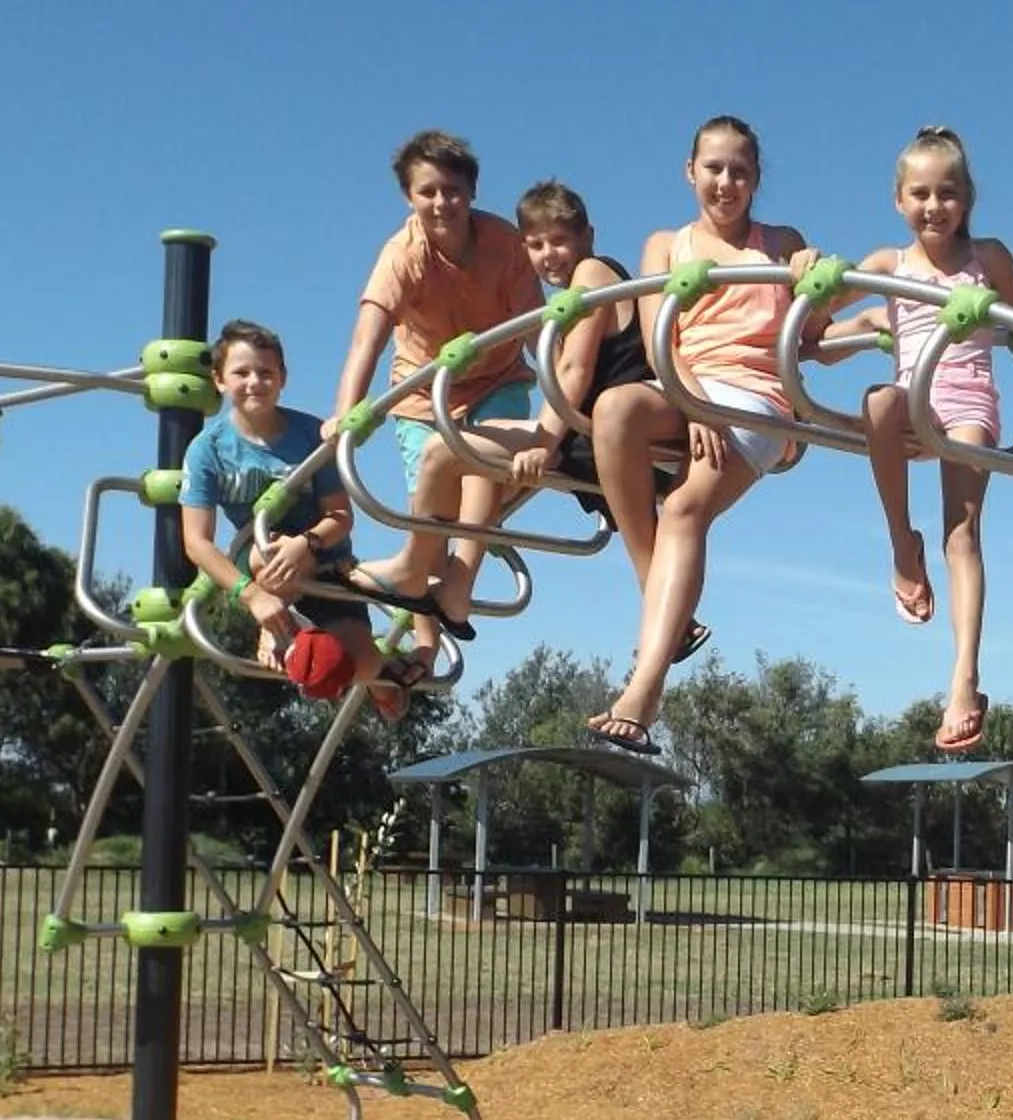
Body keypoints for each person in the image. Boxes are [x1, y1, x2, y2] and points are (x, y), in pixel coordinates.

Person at [583, 115, 812, 755]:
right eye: (714, 168)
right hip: (688, 388)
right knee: (614, 411)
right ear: (691, 172)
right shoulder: (666, 244)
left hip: (757, 398)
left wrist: (816, 279)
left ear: (757, 179)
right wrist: (695, 404)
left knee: (683, 509)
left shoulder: (781, 241)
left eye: (740, 170)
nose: (726, 182)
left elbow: (812, 330)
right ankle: (661, 596)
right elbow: (660, 340)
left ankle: (644, 690)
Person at [847, 126, 1013, 752]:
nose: (934, 206)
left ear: (968, 199)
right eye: (920, 194)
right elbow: (820, 306)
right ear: (898, 201)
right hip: (912, 399)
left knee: (962, 535)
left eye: (947, 193)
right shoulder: (889, 264)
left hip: (967, 403)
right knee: (878, 399)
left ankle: (964, 679)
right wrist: (833, 306)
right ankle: (903, 544)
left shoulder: (987, 259)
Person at [331, 130, 550, 660]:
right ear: (410, 198)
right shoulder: (403, 254)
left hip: (497, 379)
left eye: (451, 190)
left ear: (471, 192)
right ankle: (425, 632)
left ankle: (458, 586)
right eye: (427, 192)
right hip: (423, 391)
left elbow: (540, 333)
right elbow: (370, 333)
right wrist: (347, 412)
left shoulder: (503, 245)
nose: (440, 203)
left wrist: (561, 414)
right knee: (430, 509)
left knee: (476, 458)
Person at [508, 180, 707, 665]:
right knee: (471, 465)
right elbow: (561, 370)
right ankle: (452, 571)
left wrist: (542, 441)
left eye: (558, 241)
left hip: (631, 431)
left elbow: (574, 373)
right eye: (536, 245)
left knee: (490, 456)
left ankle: (664, 608)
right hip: (604, 436)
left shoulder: (593, 274)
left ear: (587, 237)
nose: (549, 254)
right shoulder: (564, 302)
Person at [177, 320, 416, 712]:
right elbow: (196, 541)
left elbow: (340, 514)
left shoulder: (309, 434)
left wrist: (308, 544)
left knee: (361, 664)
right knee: (267, 553)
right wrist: (252, 596)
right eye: (241, 372)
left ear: (283, 378)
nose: (255, 381)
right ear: (219, 380)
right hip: (260, 562)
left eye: (266, 372)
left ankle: (376, 668)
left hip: (324, 557)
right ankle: (276, 626)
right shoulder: (208, 450)